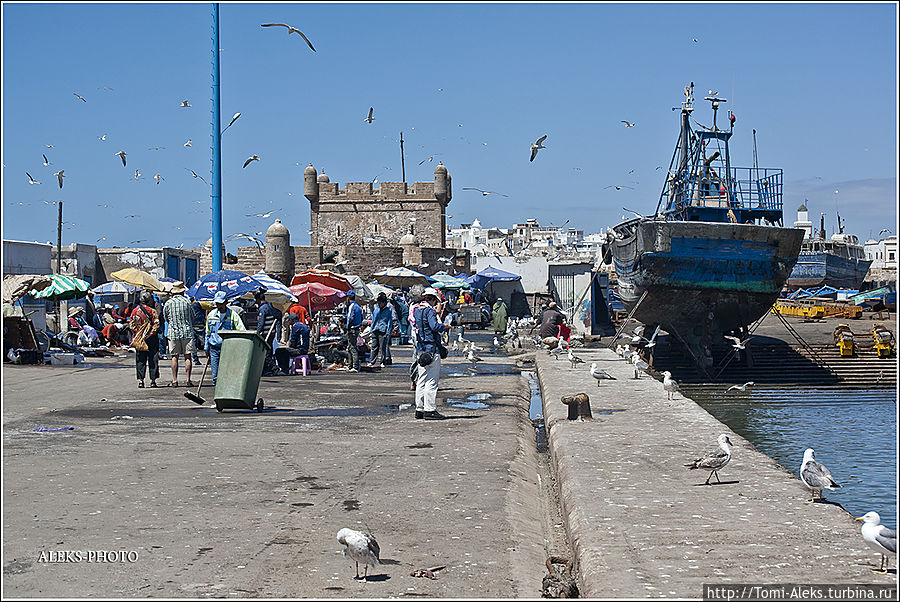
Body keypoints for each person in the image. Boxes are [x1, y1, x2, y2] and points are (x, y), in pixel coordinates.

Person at [413, 288, 450, 420]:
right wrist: (444, 327)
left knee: (421, 380)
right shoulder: (429, 311)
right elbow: (434, 327)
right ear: (433, 299)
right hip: (431, 348)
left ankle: (419, 408)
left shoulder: (417, 311)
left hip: (421, 349)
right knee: (432, 381)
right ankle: (430, 409)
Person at [204, 290, 246, 385]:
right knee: (215, 376)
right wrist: (206, 348)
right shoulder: (211, 315)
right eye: (217, 303)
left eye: (221, 303)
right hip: (214, 347)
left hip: (228, 348)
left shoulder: (233, 315)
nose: (219, 306)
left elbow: (241, 330)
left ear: (226, 302)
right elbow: (208, 332)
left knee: (227, 373)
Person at [163, 289, 195, 387]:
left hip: (173, 332)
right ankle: (188, 380)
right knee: (188, 356)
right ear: (182, 292)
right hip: (187, 332)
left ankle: (175, 380)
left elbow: (166, 318)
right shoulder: (187, 302)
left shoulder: (168, 303)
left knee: (174, 357)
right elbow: (193, 317)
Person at [130, 292, 161, 389]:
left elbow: (132, 325)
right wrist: (149, 334)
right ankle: (153, 381)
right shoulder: (152, 311)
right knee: (153, 358)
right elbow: (156, 325)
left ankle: (141, 381)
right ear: (149, 301)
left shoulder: (135, 311)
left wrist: (139, 333)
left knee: (140, 359)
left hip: (140, 339)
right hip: (151, 338)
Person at [255, 291, 283, 376]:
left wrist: (257, 332)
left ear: (259, 299)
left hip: (266, 334)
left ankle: (274, 368)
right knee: (268, 352)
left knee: (265, 352)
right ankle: (268, 371)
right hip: (271, 333)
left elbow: (261, 323)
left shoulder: (263, 308)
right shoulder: (270, 306)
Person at [368, 292, 393, 368]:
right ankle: (372, 361)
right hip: (375, 330)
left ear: (384, 303)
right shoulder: (376, 310)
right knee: (374, 347)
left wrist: (388, 332)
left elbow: (389, 322)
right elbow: (373, 320)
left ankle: (382, 362)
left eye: (380, 303)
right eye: (378, 302)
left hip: (383, 331)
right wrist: (371, 329)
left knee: (383, 348)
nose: (379, 304)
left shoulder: (388, 311)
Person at [344, 290, 363, 372]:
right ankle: (350, 365)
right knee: (350, 348)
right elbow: (361, 318)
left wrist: (347, 328)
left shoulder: (352, 306)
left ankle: (354, 366)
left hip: (352, 329)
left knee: (353, 348)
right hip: (357, 328)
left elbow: (350, 318)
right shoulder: (358, 307)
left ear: (348, 298)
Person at [190, 296, 206, 365]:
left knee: (194, 344)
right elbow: (209, 306)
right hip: (200, 325)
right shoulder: (199, 304)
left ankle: (195, 359)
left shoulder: (190, 305)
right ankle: (209, 358)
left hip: (192, 326)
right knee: (205, 342)